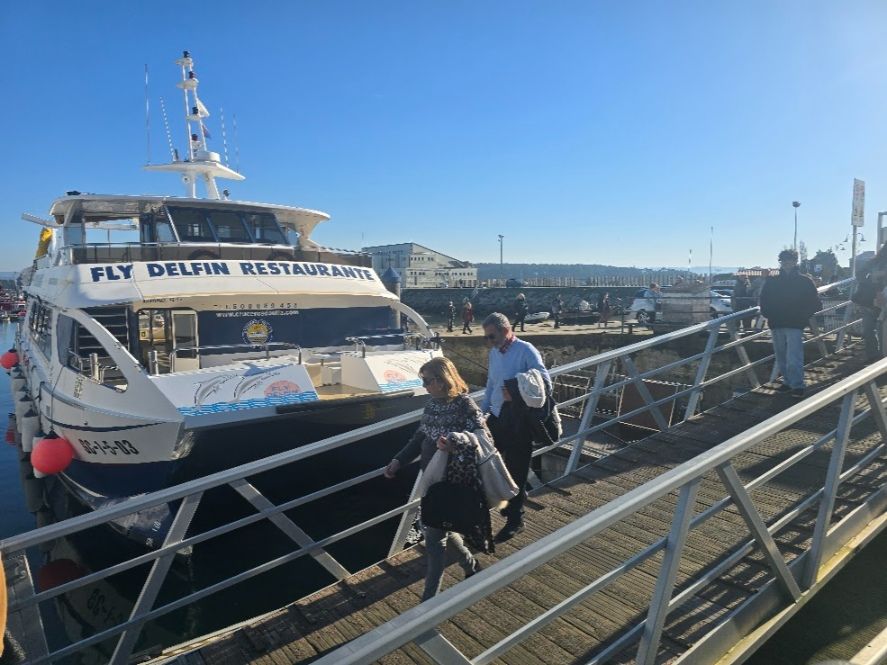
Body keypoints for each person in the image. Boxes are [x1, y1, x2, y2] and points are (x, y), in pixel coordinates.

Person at [384, 357, 487, 600]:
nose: (425, 386)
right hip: (431, 479)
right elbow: (419, 437)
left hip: (455, 480)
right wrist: (398, 460)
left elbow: (483, 439)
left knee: (434, 538)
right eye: (423, 380)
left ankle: (429, 601)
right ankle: (472, 567)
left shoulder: (465, 405)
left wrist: (457, 444)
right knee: (441, 529)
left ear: (443, 380)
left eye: (427, 381)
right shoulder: (431, 405)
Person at [481, 313, 552, 542]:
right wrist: (483, 413)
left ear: (505, 330)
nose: (489, 342)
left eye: (492, 336)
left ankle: (516, 520)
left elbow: (545, 383)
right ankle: (508, 500)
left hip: (519, 419)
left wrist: (517, 391)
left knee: (518, 469)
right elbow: (491, 384)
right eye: (487, 338)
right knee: (487, 462)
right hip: (497, 416)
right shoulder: (494, 352)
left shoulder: (526, 350)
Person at [759, 249, 822, 397]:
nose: (786, 262)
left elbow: (815, 303)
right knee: (781, 356)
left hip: (795, 324)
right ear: (780, 262)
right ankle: (788, 382)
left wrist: (802, 317)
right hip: (777, 322)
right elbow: (764, 300)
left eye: (789, 260)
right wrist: (767, 313)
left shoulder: (805, 281)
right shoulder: (773, 281)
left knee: (794, 357)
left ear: (795, 262)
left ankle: (798, 385)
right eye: (783, 260)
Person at [852, 271, 883, 362]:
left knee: (871, 332)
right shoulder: (864, 283)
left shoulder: (865, 283)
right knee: (870, 332)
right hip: (870, 309)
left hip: (876, 310)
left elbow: (855, 298)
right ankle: (875, 356)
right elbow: (855, 298)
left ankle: (875, 355)